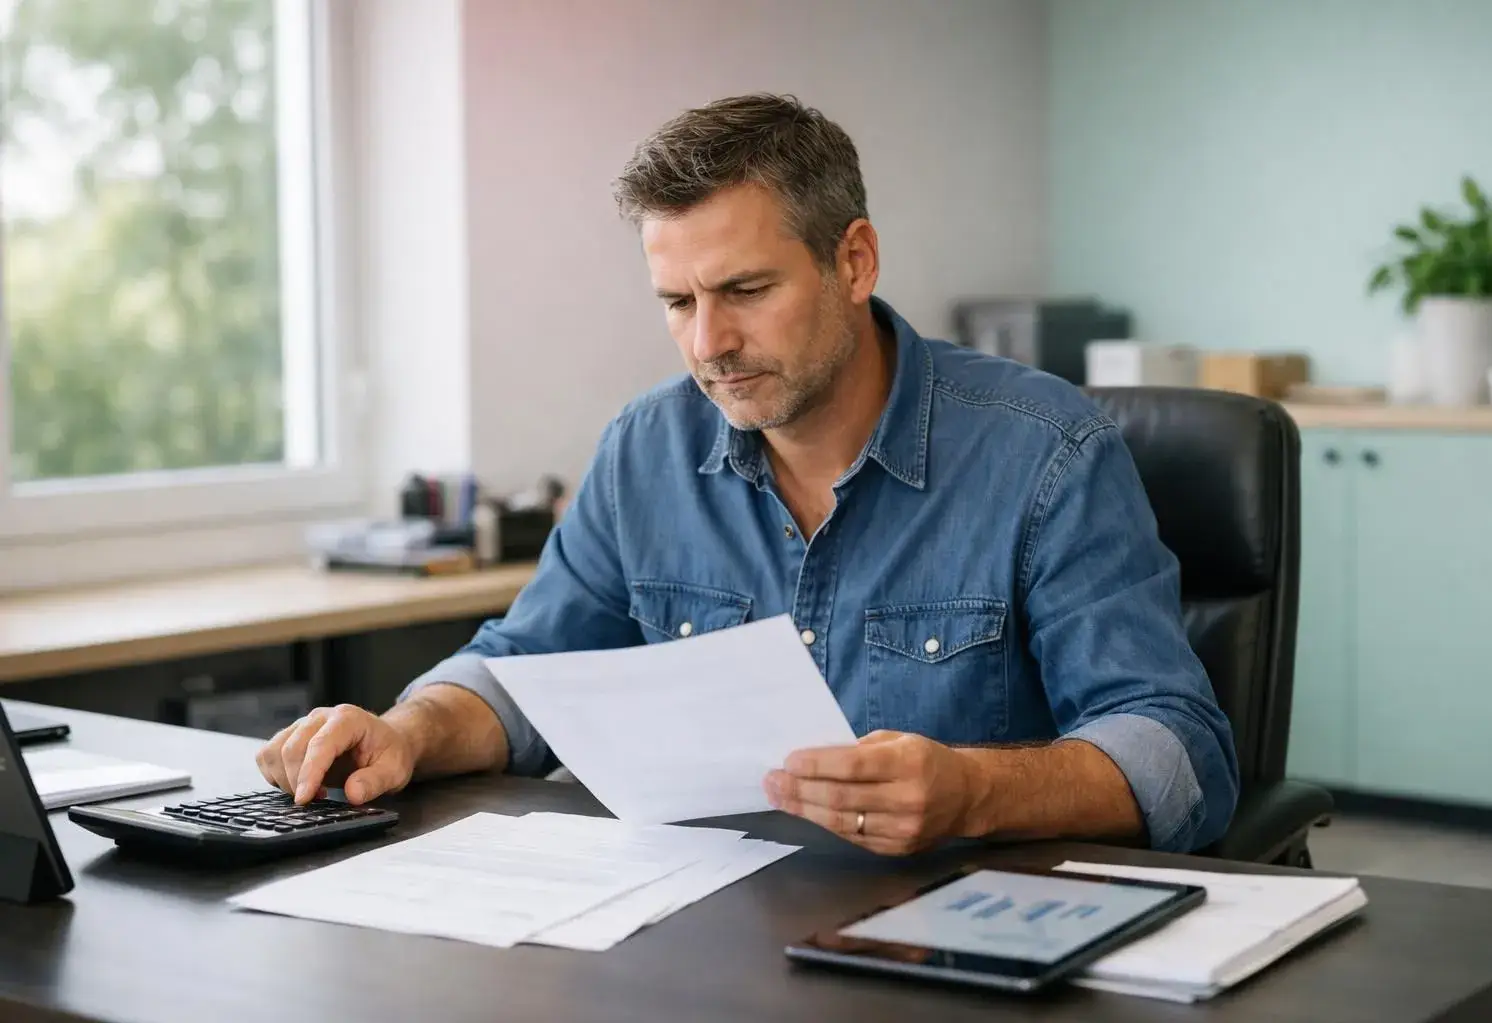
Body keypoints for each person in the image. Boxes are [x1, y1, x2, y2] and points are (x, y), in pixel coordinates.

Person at [257, 94, 1239, 855]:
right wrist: (407, 730)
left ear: (854, 261)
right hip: (703, 935)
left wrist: (976, 792)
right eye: (676, 301)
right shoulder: (645, 450)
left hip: (952, 940)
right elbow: (526, 670)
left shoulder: (1047, 453)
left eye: (745, 291)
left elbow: (1180, 753)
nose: (709, 343)